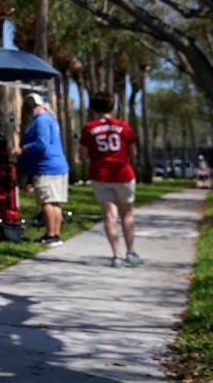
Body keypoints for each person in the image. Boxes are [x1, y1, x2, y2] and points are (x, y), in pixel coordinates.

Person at [79, 91, 141, 268]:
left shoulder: (89, 128)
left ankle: (116, 255)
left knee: (109, 216)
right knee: (127, 213)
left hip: (100, 174)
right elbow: (133, 152)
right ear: (112, 106)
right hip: (123, 174)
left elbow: (84, 154)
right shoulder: (123, 126)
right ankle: (131, 252)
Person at [13, 92, 70, 247]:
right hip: (57, 166)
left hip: (46, 167)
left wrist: (23, 149)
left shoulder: (41, 121)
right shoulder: (49, 119)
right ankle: (55, 234)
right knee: (54, 202)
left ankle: (51, 234)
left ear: (34, 106)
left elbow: (41, 143)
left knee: (46, 202)